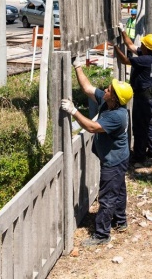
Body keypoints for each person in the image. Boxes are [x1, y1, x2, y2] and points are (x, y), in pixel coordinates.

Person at [60, 71, 134, 247]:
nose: (105, 89)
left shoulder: (117, 116)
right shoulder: (108, 102)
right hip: (119, 157)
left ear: (114, 98)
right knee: (118, 189)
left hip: (114, 161)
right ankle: (120, 221)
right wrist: (77, 66)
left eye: (109, 89)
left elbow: (92, 127)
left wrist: (73, 111)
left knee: (107, 196)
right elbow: (87, 88)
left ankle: (102, 234)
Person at [114, 31, 152, 167]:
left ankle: (140, 157)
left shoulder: (145, 60)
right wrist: (123, 32)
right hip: (147, 96)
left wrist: (115, 46)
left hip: (143, 98)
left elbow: (124, 60)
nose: (140, 44)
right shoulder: (149, 56)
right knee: (148, 124)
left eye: (143, 43)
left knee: (140, 127)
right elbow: (130, 46)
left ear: (146, 46)